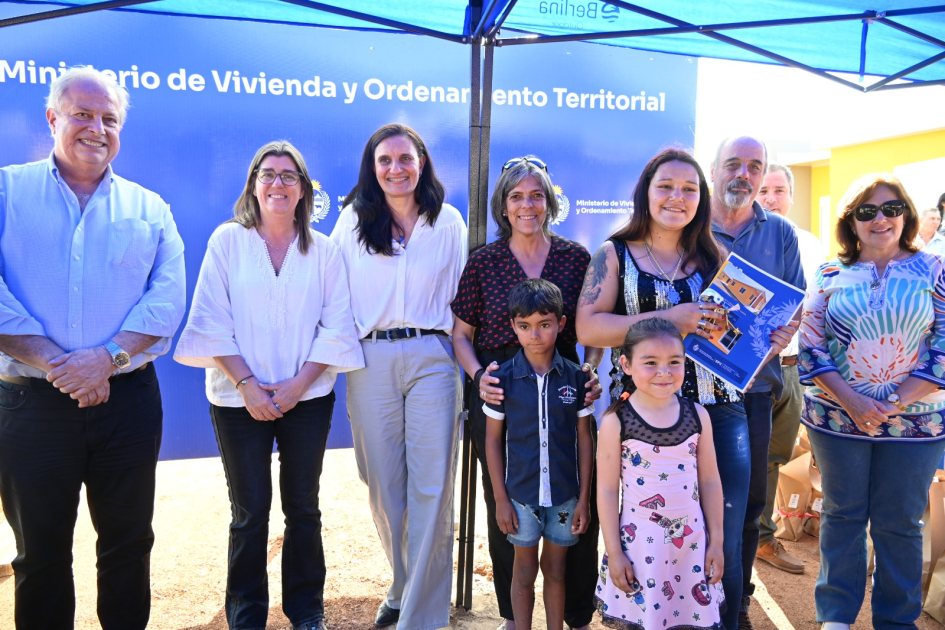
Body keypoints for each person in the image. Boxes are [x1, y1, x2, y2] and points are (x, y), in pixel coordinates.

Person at [0, 66, 186, 629]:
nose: (96, 128)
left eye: (109, 119)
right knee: (40, 555)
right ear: (52, 118)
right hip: (32, 406)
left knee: (129, 544)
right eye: (82, 114)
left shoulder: (150, 208)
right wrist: (60, 366)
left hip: (127, 402)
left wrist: (105, 361)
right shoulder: (6, 192)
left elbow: (167, 301)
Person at [576, 146, 789, 629]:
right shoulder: (613, 254)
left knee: (721, 540)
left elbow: (738, 338)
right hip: (641, 419)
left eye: (690, 189)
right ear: (645, 193)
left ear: (702, 198)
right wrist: (671, 319)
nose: (678, 196)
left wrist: (767, 342)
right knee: (649, 540)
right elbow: (588, 327)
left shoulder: (716, 256)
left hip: (719, 410)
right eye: (666, 186)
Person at [174, 141, 363, 630]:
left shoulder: (325, 251)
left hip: (308, 397)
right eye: (268, 174)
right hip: (238, 398)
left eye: (288, 175)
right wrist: (248, 386)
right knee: (249, 511)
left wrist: (298, 386)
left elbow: (337, 327)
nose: (278, 183)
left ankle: (306, 610)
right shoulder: (226, 241)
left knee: (303, 508)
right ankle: (246, 616)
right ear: (254, 185)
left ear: (303, 190)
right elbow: (211, 321)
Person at [451, 156, 602, 630]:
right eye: (516, 196)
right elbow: (460, 335)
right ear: (503, 205)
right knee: (508, 503)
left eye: (537, 195)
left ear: (550, 202)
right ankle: (514, 617)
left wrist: (591, 370)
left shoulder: (576, 258)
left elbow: (593, 327)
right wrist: (479, 376)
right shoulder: (484, 262)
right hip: (501, 389)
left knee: (575, 493)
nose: (527, 205)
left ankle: (575, 614)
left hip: (563, 382)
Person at [330, 123, 466, 630]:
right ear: (372, 168)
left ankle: (421, 617)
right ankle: (404, 585)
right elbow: (333, 294)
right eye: (384, 160)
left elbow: (461, 297)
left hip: (433, 355)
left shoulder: (447, 220)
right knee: (383, 486)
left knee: (432, 487)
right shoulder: (351, 221)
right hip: (370, 358)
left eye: (405, 158)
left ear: (422, 162)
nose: (396, 169)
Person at [799, 173, 945, 630]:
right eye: (867, 211)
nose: (880, 218)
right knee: (841, 515)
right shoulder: (828, 273)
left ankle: (896, 621)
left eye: (891, 208)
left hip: (917, 422)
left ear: (906, 215)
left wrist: (892, 403)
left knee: (899, 522)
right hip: (836, 418)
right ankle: (835, 618)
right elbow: (811, 346)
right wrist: (853, 403)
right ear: (851, 221)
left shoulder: (935, 270)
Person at [708, 137, 803, 629]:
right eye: (733, 164)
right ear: (714, 169)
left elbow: (793, 304)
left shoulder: (781, 232)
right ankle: (690, 606)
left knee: (747, 505)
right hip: (691, 391)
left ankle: (737, 604)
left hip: (754, 390)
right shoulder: (689, 221)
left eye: (754, 166)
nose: (743, 174)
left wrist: (776, 338)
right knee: (688, 502)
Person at [595, 317, 724, 630]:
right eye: (651, 362)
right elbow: (607, 490)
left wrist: (716, 542)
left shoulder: (698, 416)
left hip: (691, 545)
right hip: (641, 548)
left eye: (674, 362)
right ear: (626, 365)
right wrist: (614, 552)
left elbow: (710, 481)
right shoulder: (616, 421)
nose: (664, 372)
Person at [482, 278, 594, 630]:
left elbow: (585, 439)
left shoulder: (576, 379)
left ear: (561, 324)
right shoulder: (502, 380)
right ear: (513, 326)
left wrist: (584, 499)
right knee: (525, 570)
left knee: (556, 569)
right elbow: (492, 442)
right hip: (520, 496)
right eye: (525, 326)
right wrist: (501, 499)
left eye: (545, 324)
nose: (535, 334)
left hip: (564, 495)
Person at [754, 163, 826, 575]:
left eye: (779, 190)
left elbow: (817, 308)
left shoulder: (810, 244)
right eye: (763, 190)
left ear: (791, 196)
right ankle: (738, 540)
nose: (770, 198)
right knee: (740, 456)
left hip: (793, 369)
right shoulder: (742, 241)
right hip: (751, 372)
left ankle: (763, 539)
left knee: (776, 456)